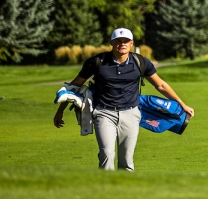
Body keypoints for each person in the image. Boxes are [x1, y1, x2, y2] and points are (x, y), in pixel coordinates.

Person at [53, 28, 195, 171]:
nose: (122, 44)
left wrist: (182, 104)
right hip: (103, 113)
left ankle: (125, 191)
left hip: (131, 114)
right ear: (111, 43)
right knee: (106, 153)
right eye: (118, 41)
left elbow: (161, 85)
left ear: (131, 43)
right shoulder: (96, 62)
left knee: (127, 160)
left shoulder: (141, 62)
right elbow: (73, 87)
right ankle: (107, 190)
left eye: (126, 41)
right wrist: (60, 111)